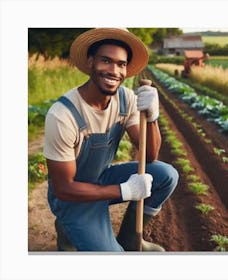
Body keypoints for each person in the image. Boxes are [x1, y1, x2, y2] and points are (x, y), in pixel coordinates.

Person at [44, 28, 179, 252]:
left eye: (121, 64)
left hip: (101, 178)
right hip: (73, 197)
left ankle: (130, 240)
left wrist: (153, 117)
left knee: (166, 175)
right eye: (106, 60)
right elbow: (64, 188)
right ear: (90, 63)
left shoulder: (125, 99)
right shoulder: (63, 115)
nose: (114, 70)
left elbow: (150, 155)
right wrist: (124, 191)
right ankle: (68, 228)